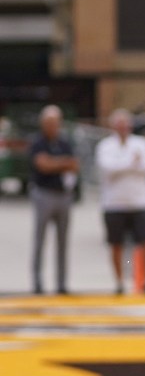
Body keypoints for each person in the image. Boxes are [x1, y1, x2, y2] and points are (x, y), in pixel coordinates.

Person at [94, 109, 145, 295]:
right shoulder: (105, 145)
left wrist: (123, 164)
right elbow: (108, 168)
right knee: (116, 244)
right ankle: (119, 282)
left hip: (140, 201)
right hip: (114, 203)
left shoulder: (141, 143)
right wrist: (131, 163)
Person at [28, 105, 78, 296]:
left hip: (63, 194)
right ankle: (37, 282)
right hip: (44, 194)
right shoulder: (38, 143)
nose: (52, 126)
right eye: (49, 123)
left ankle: (61, 283)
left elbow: (74, 165)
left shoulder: (64, 143)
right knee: (40, 240)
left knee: (63, 241)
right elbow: (42, 165)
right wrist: (61, 163)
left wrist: (54, 163)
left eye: (55, 123)